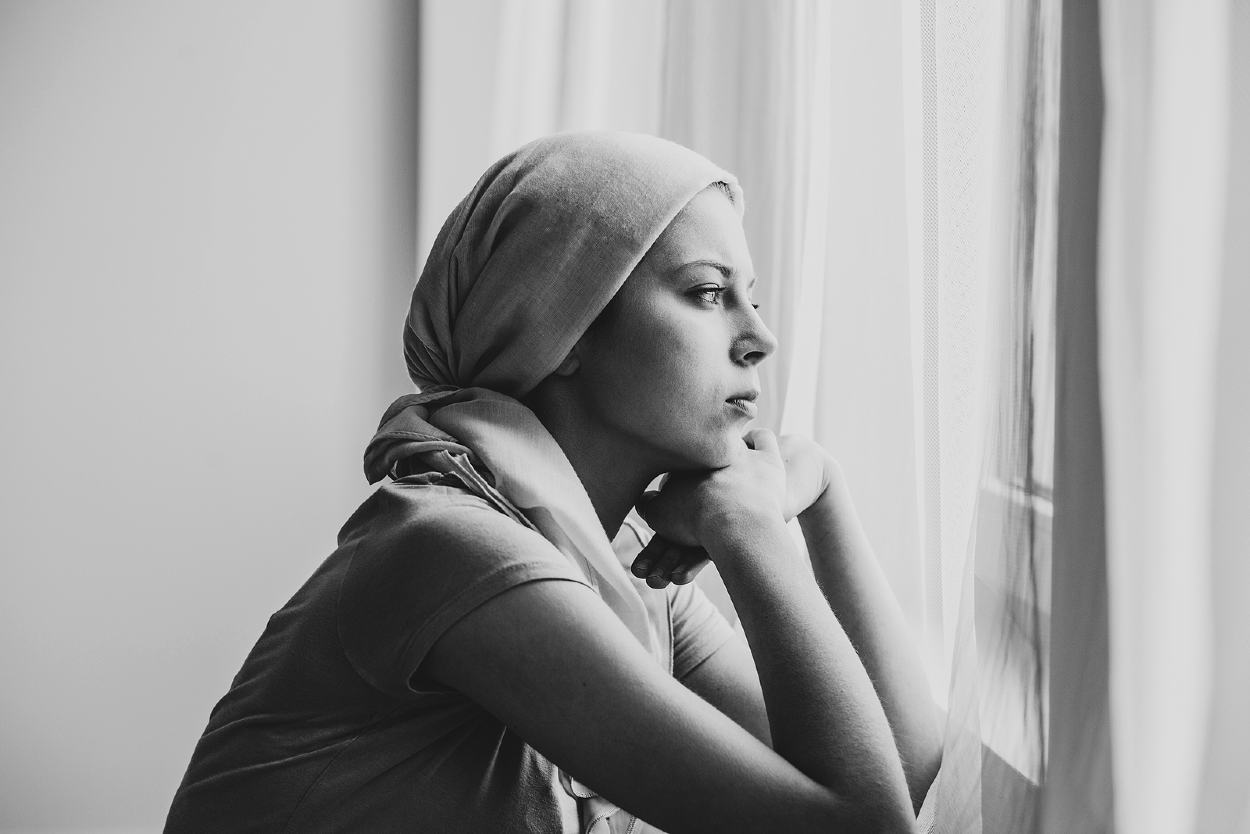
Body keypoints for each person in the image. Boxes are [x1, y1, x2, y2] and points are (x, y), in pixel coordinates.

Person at [165, 132, 941, 833]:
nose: (760, 338)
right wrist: (749, 527)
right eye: (709, 294)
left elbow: (899, 771)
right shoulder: (454, 550)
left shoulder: (622, 576)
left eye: (754, 299)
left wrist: (824, 492)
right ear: (563, 329)